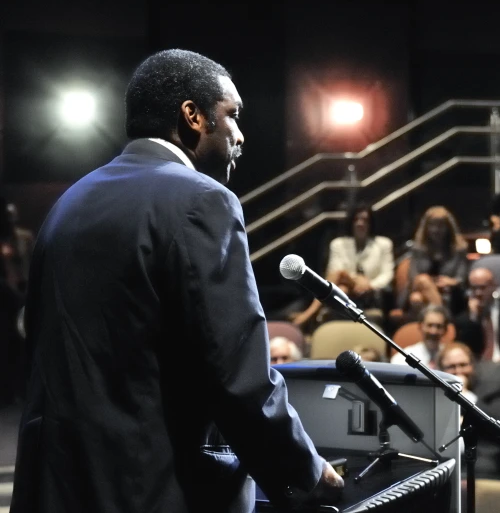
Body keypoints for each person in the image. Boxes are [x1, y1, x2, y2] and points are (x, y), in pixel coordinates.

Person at [11, 49, 343, 513]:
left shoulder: (69, 203)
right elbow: (237, 375)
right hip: (159, 490)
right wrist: (306, 471)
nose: (240, 135)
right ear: (193, 116)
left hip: (61, 487)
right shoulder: (203, 201)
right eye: (232, 116)